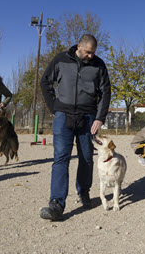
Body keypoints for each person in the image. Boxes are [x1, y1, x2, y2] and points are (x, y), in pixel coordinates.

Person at [39, 34, 111, 221]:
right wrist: (54, 107)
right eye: (88, 52)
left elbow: (106, 92)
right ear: (79, 46)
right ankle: (56, 203)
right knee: (61, 158)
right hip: (63, 116)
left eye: (93, 53)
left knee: (86, 158)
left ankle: (84, 192)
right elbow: (45, 82)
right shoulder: (61, 59)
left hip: (88, 118)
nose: (90, 56)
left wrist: (100, 118)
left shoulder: (99, 65)